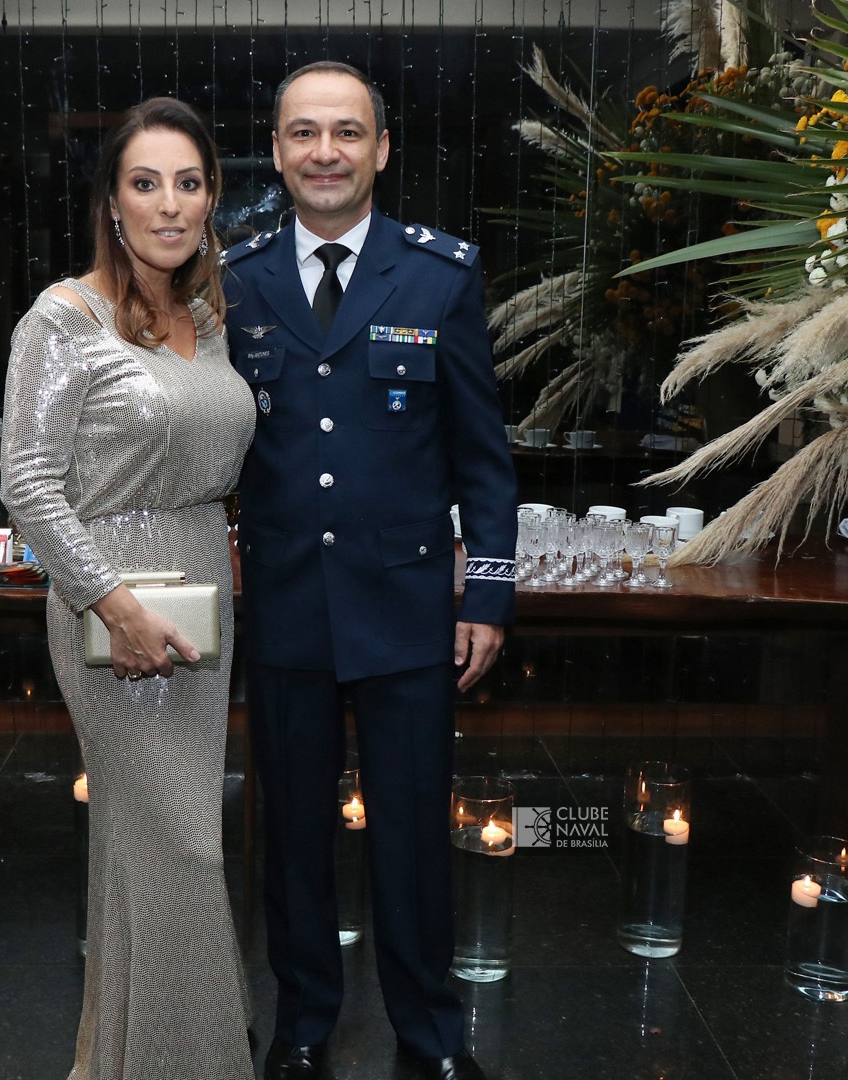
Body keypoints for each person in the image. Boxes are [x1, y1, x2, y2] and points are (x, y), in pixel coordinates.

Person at [222, 62, 517, 1080]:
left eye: (347, 132)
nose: (326, 152)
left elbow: (483, 458)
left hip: (407, 609)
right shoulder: (234, 279)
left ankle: (430, 1036)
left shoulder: (440, 274)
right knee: (294, 837)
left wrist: (487, 594)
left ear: (382, 149)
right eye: (304, 133)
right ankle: (303, 1026)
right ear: (276, 151)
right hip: (287, 605)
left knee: (413, 839)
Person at [0, 97, 255, 1080]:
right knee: (185, 850)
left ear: (212, 196)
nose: (169, 204)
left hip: (200, 609)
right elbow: (27, 482)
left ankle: (124, 1059)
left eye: (189, 183)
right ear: (112, 201)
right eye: (146, 184)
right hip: (113, 617)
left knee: (145, 849)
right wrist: (111, 603)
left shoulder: (206, 317)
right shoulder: (62, 319)